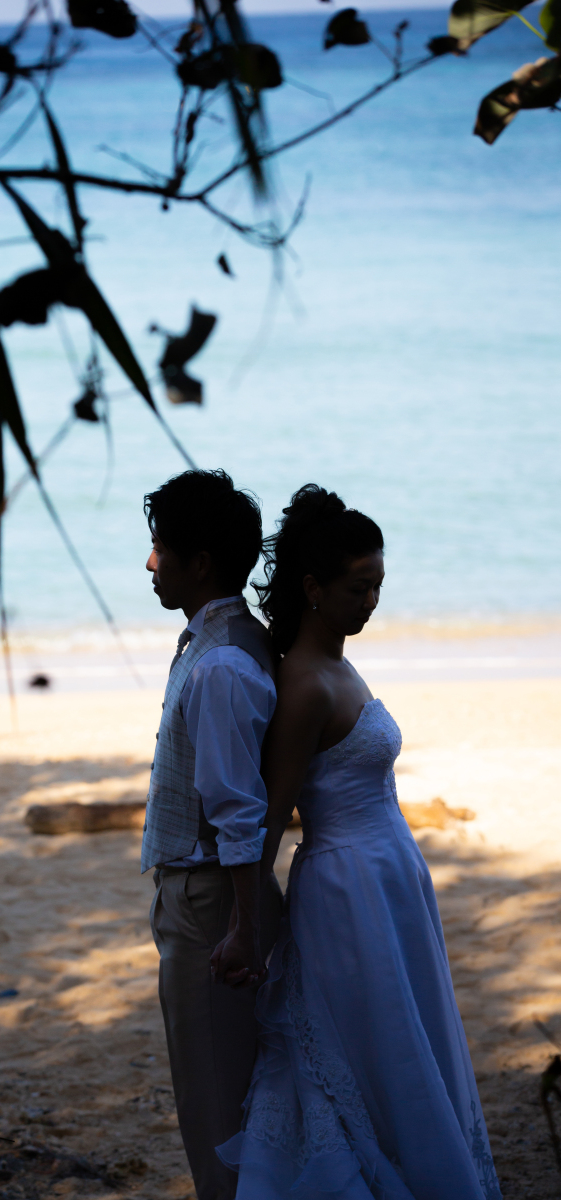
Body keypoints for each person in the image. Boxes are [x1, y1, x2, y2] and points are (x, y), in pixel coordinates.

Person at [214, 484, 501, 1200]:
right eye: (358, 586)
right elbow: (271, 815)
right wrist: (247, 927)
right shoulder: (306, 684)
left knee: (407, 1038)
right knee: (368, 1047)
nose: (371, 600)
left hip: (389, 874)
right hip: (348, 888)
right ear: (313, 587)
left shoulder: (340, 663)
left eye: (377, 585)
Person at [142, 469, 283, 1200]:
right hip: (208, 899)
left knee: (214, 1104)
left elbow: (237, 813)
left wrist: (240, 924)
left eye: (159, 547)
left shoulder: (223, 661)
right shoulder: (222, 643)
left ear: (199, 561)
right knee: (227, 1095)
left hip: (208, 905)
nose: (149, 562)